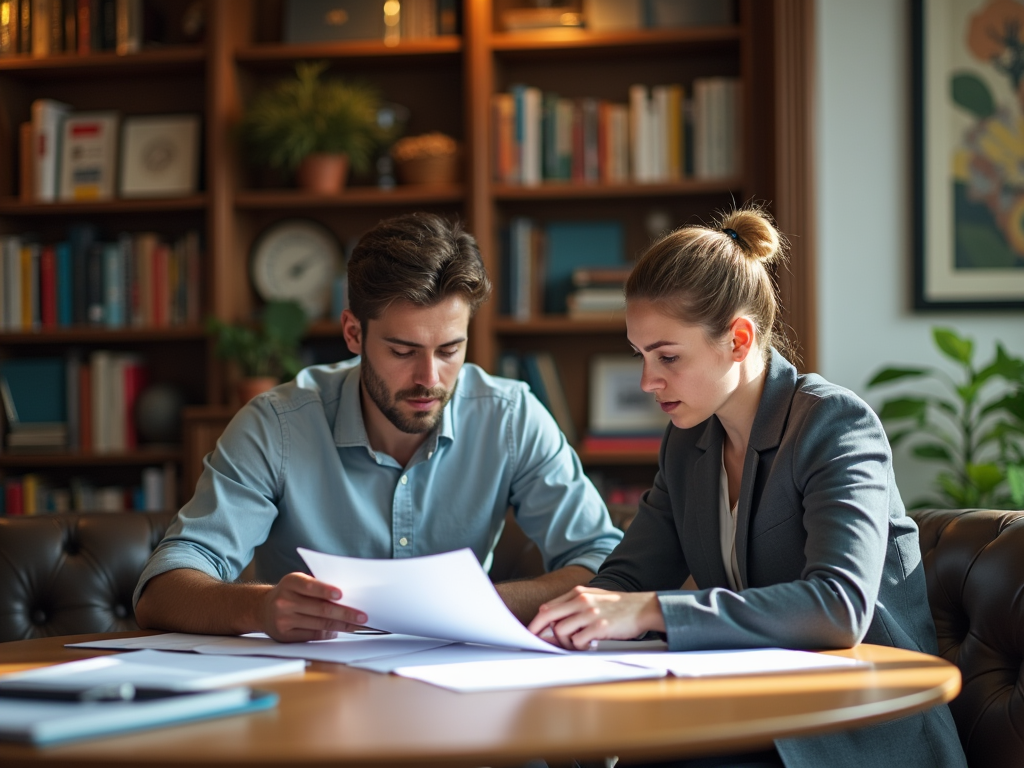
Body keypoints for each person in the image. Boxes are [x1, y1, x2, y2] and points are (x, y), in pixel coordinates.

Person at [527, 207, 966, 768]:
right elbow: (629, 578)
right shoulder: (688, 444)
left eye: (667, 357)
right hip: (754, 709)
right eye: (640, 356)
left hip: (857, 728)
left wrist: (649, 612)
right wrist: (571, 623)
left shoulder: (833, 424)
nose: (646, 382)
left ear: (738, 339)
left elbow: (839, 607)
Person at [134, 212, 622, 641]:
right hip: (316, 701)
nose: (429, 379)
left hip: (468, 693)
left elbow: (605, 564)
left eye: (450, 350)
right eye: (403, 351)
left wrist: (474, 606)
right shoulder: (275, 426)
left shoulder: (510, 415)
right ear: (353, 333)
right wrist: (259, 608)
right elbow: (163, 589)